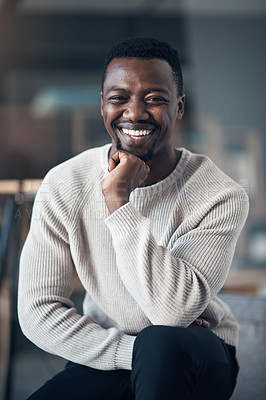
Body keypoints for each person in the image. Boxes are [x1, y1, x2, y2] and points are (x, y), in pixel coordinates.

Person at [18, 37, 249, 400]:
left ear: (180, 107)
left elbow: (173, 314)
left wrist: (119, 201)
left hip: (197, 353)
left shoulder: (220, 195)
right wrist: (129, 353)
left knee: (162, 341)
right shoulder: (64, 184)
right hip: (112, 352)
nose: (135, 113)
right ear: (103, 106)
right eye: (119, 98)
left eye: (154, 99)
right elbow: (38, 310)